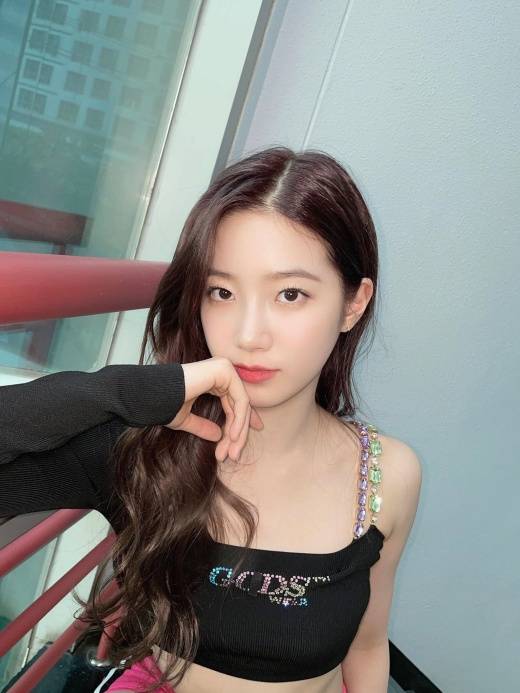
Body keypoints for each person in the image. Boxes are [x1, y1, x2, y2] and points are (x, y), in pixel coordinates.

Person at [0, 146, 422, 693]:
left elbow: (367, 643)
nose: (248, 334)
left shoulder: (388, 474)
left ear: (352, 304)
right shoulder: (144, 451)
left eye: (290, 294)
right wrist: (120, 391)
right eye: (222, 292)